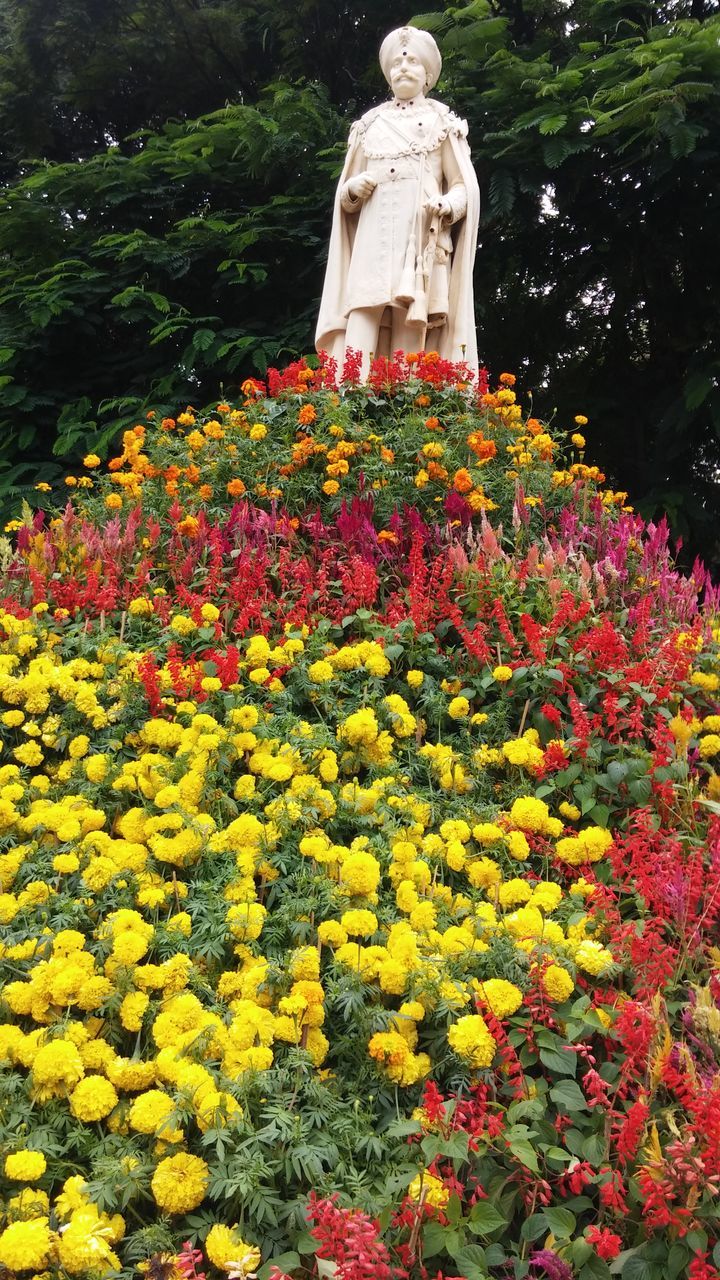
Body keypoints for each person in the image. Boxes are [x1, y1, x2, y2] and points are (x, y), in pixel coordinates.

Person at [315, 25, 480, 379]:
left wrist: (449, 205)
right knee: (361, 310)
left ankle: (404, 406)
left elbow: (462, 185)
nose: (403, 68)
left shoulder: (442, 122)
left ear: (428, 75)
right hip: (372, 239)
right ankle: (346, 396)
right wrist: (353, 189)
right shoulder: (369, 124)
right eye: (396, 63)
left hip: (419, 239)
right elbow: (345, 198)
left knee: (411, 320)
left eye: (413, 61)